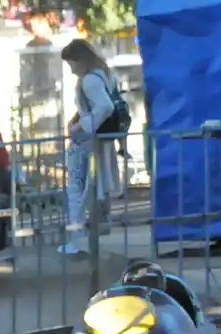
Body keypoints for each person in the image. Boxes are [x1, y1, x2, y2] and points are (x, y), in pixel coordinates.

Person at [58, 38, 125, 256]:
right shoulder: (104, 75)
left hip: (88, 140)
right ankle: (84, 237)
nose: (71, 69)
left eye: (71, 64)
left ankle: (77, 239)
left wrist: (81, 125)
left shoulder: (89, 80)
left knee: (77, 189)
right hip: (99, 140)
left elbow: (103, 107)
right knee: (90, 189)